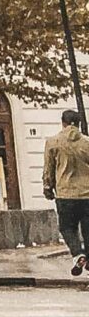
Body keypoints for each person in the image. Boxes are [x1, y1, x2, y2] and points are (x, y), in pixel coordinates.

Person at [44, 107, 89, 276]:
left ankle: (78, 254)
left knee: (67, 228)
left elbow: (49, 168)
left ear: (62, 122)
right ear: (77, 123)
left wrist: (48, 187)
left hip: (65, 194)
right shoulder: (86, 142)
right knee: (88, 228)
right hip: (87, 194)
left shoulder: (53, 142)